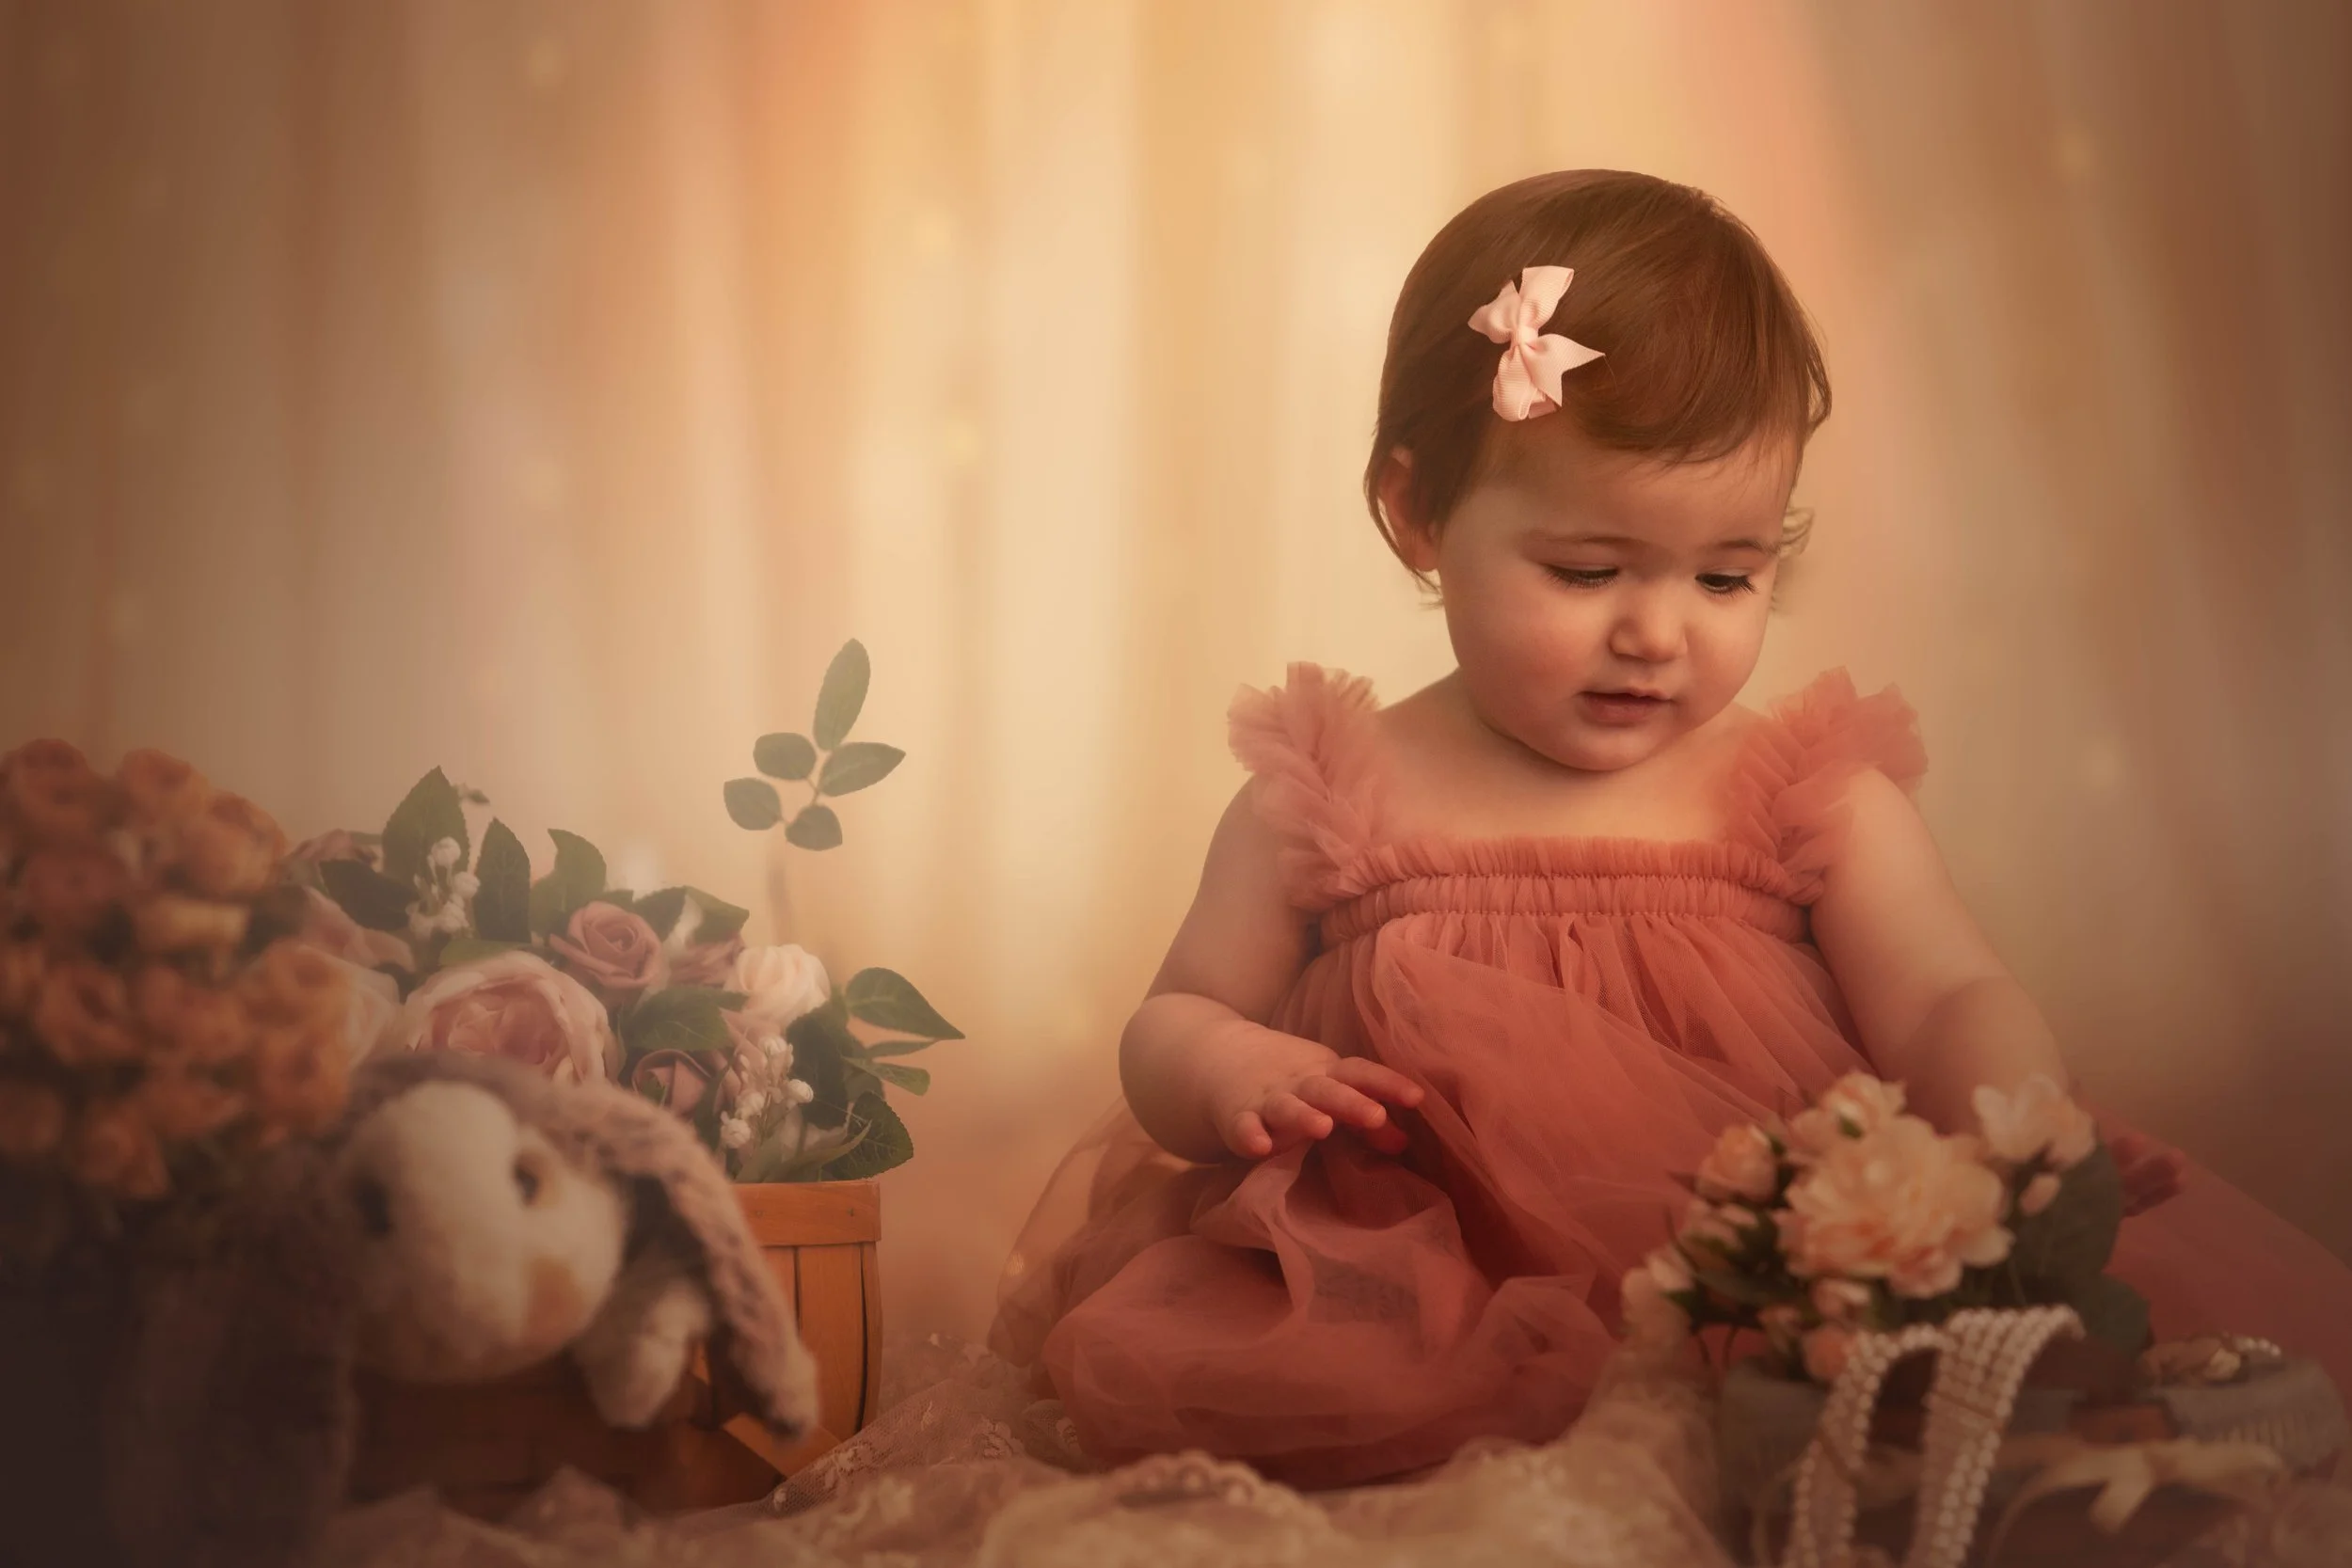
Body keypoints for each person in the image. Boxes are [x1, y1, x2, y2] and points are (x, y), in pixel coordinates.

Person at [990, 169, 2352, 1492]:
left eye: (1727, 573)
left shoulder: (1797, 793)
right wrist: (1230, 1063)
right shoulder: (1334, 791)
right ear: (1417, 513)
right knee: (1297, 1401)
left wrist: (2008, 1123)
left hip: (1758, 1283)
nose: (1657, 630)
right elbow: (1172, 1016)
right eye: (1587, 570)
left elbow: (1943, 992)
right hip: (1421, 1288)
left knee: (1989, 1398)